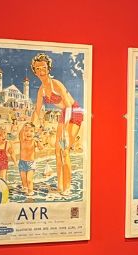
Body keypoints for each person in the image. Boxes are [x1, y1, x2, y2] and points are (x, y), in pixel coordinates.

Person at [30, 53, 84, 196]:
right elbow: (37, 111)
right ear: (34, 71)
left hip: (74, 111)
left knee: (64, 150)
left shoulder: (57, 84)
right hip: (64, 114)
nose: (41, 71)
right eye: (38, 68)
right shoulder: (41, 91)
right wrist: (32, 126)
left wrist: (65, 130)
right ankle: (60, 185)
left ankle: (68, 187)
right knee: (56, 151)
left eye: (43, 68)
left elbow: (68, 106)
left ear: (48, 69)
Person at [17, 123, 43, 197]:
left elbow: (41, 148)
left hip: (31, 163)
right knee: (24, 180)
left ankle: (31, 192)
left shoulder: (34, 141)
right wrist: (23, 126)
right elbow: (20, 133)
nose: (29, 133)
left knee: (29, 179)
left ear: (34, 133)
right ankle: (25, 188)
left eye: (31, 131)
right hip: (22, 163)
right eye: (26, 131)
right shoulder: (22, 140)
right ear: (23, 133)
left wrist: (38, 141)